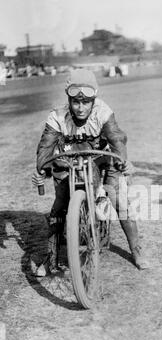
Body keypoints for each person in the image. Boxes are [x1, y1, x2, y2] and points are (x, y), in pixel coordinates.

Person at [32, 68, 149, 274]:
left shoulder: (103, 112)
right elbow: (45, 147)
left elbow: (117, 139)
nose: (80, 107)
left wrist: (123, 162)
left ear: (94, 99)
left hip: (102, 160)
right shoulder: (57, 116)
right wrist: (41, 168)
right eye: (75, 102)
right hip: (69, 162)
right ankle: (50, 258)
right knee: (59, 206)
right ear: (68, 98)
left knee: (118, 200)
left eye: (86, 102)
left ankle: (136, 250)